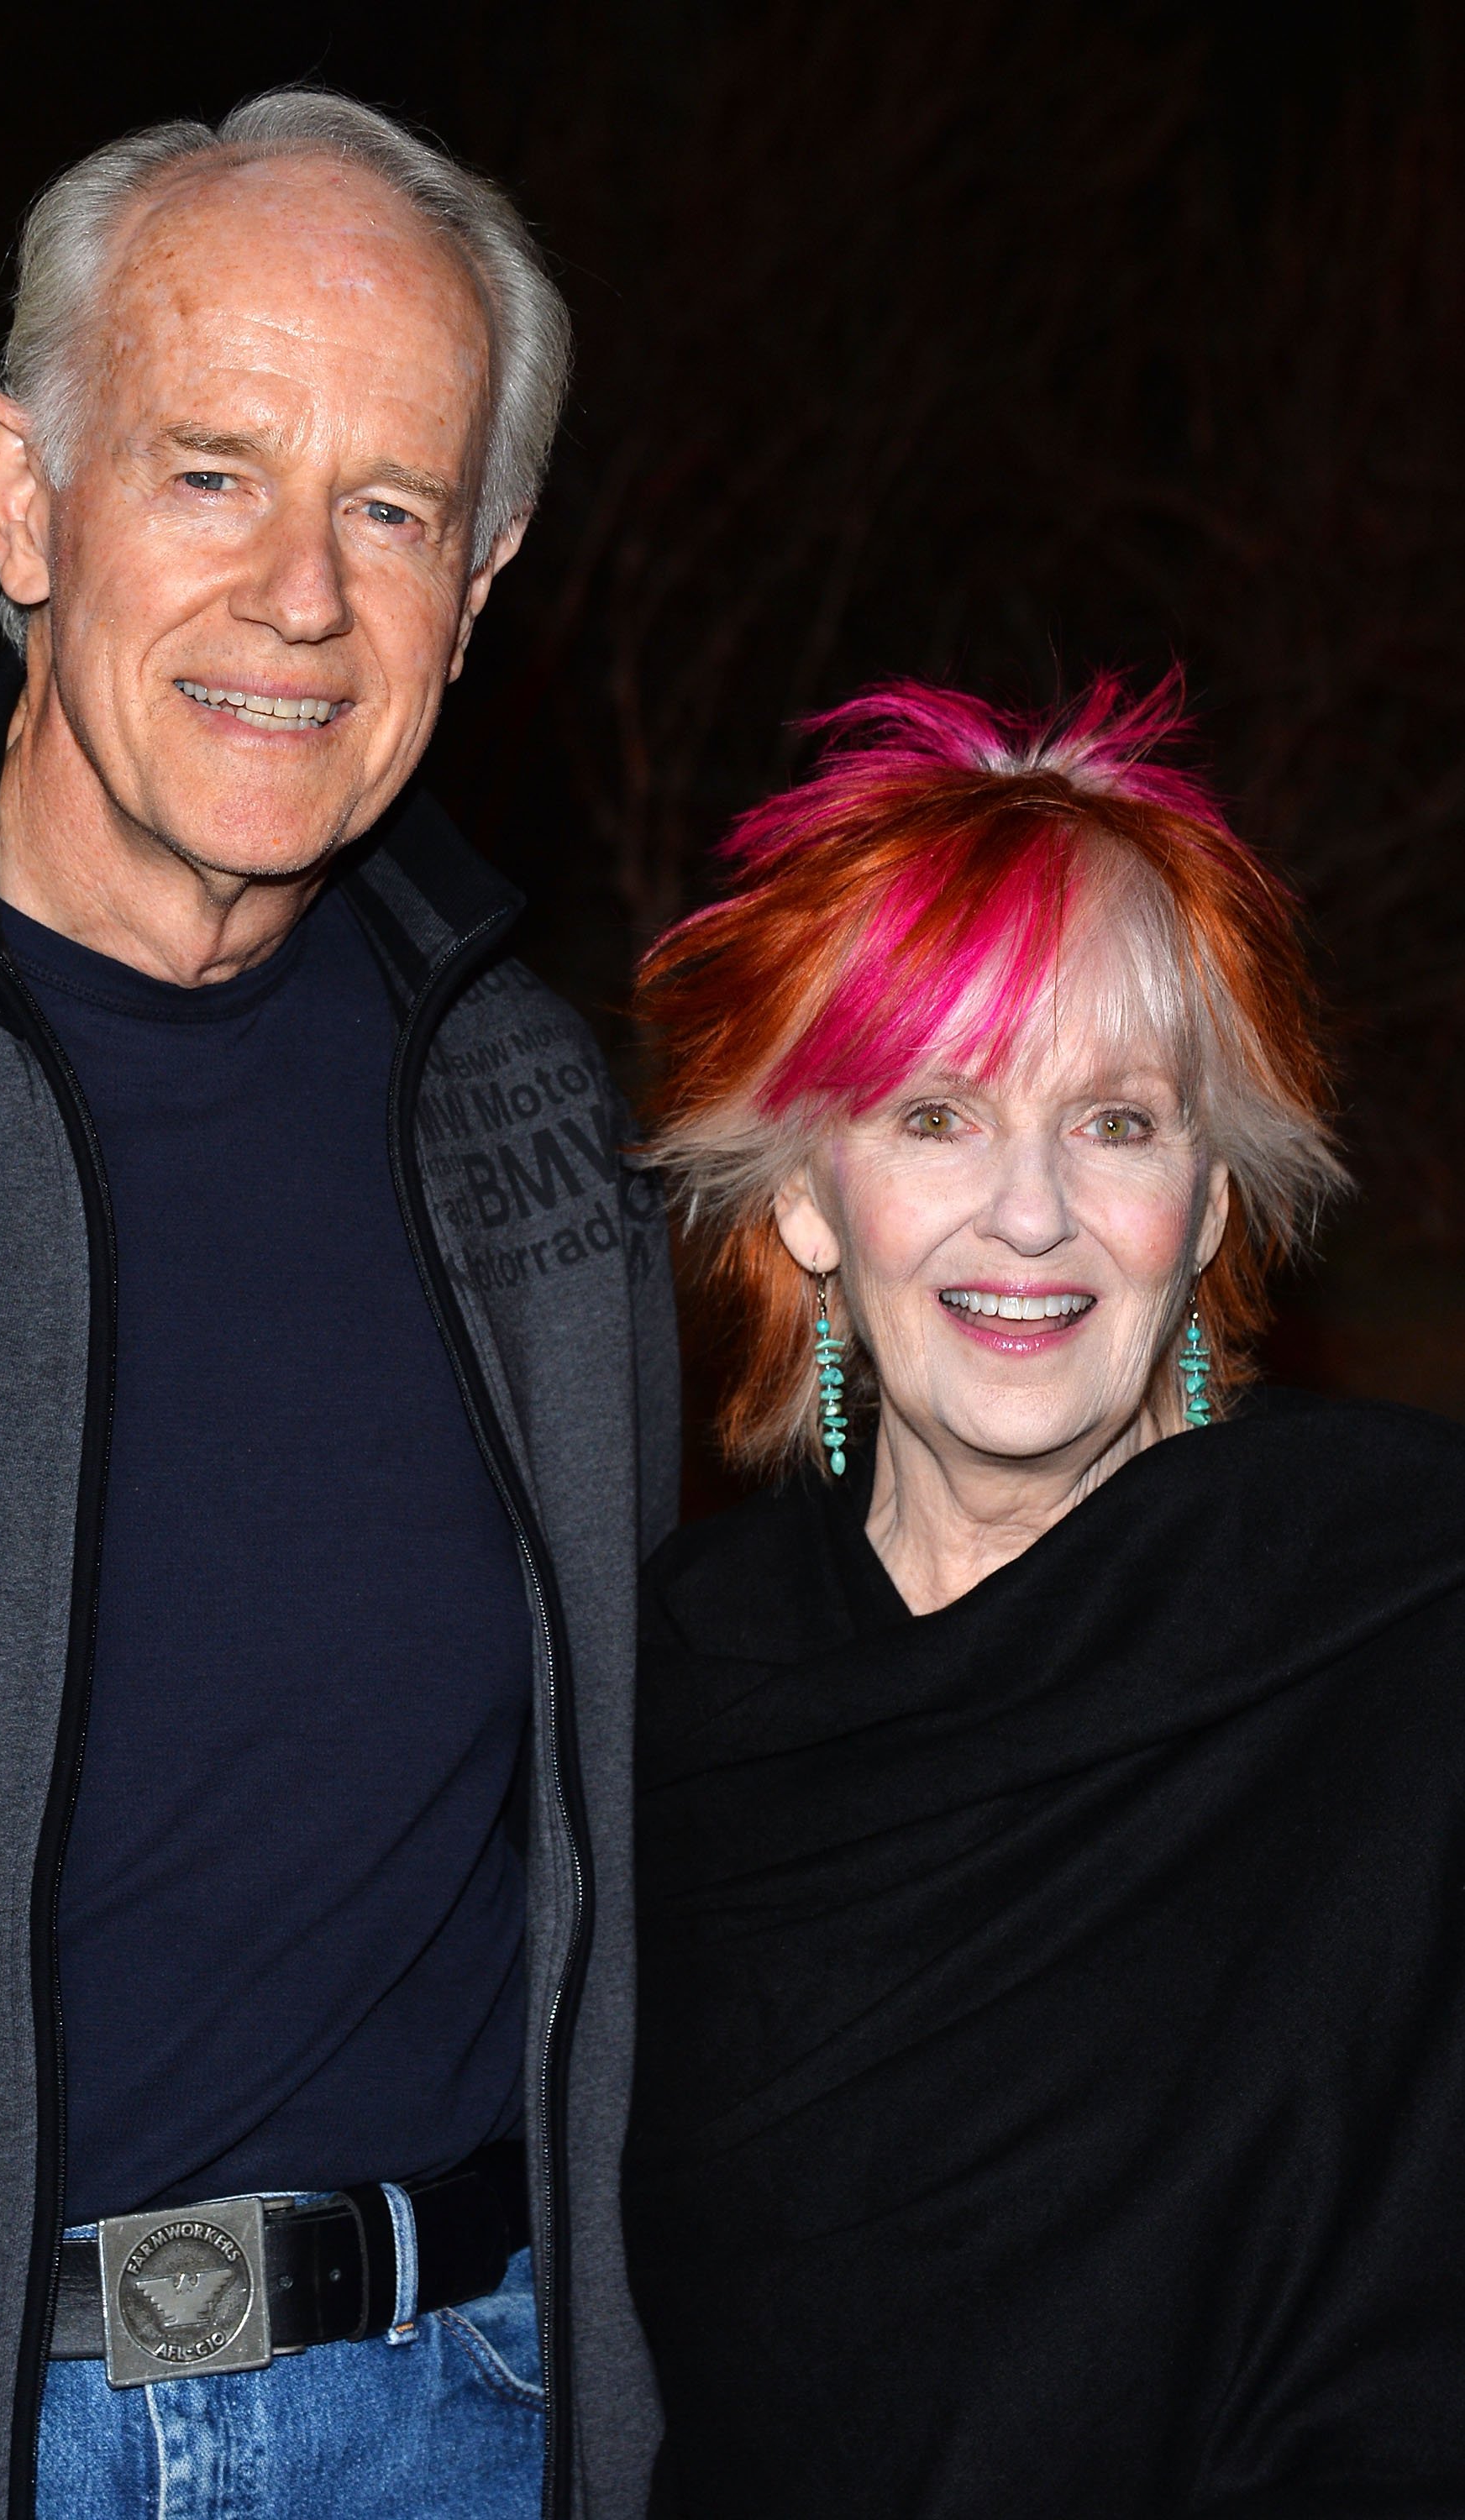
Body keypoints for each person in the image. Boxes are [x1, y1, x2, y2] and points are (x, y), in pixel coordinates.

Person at [0, 89, 675, 2520]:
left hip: (460, 2420)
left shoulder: (535, 1110)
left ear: (480, 584)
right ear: (22, 497)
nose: (303, 600)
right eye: (215, 471)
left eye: (391, 508)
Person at [622, 675, 1465, 2517]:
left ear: (1211, 1204)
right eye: (933, 1116)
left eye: (1113, 1122)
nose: (1029, 1216)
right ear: (803, 1201)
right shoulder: (650, 1705)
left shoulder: (1401, 1641)